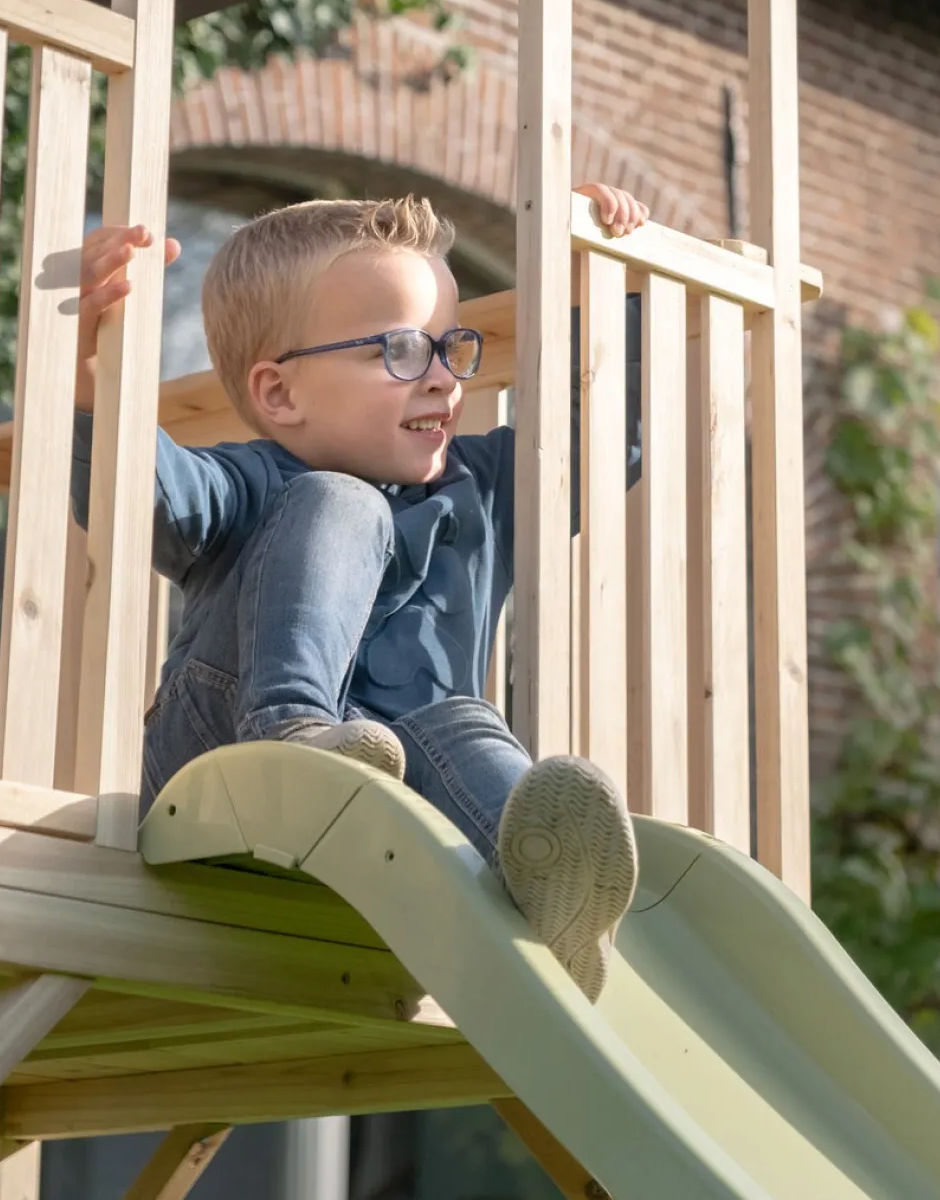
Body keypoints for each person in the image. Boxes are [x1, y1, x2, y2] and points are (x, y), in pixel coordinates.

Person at [71, 183, 648, 1002]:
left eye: (451, 347)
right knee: (342, 501)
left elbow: (600, 441)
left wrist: (604, 274)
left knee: (465, 724)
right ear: (280, 392)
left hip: (388, 824)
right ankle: (293, 734)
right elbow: (141, 494)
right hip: (217, 775)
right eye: (402, 350)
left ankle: (549, 904)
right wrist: (94, 371)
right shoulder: (248, 483)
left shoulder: (482, 492)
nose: (443, 378)